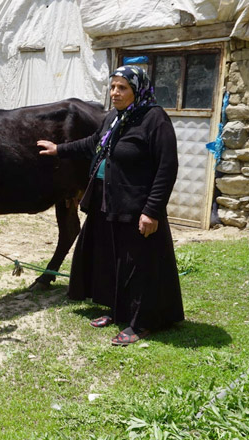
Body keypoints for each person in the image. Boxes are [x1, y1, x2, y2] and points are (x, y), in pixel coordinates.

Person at [37, 65, 184, 346]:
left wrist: (152, 210)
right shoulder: (116, 118)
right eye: (113, 87)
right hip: (109, 201)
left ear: (137, 90)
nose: (115, 93)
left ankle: (141, 323)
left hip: (137, 206)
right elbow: (94, 143)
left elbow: (167, 168)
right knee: (113, 261)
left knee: (138, 266)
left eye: (122, 88)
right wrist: (60, 149)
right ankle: (118, 312)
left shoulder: (155, 120)